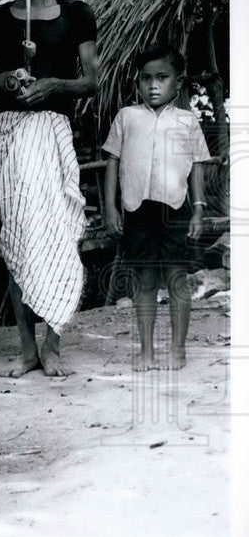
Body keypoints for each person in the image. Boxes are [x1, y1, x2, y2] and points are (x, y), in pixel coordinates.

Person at [0, 0, 99, 378]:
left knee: (57, 236)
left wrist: (53, 85)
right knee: (18, 239)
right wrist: (9, 80)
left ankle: (54, 344)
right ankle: (26, 347)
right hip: (12, 138)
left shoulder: (77, 15)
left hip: (52, 136)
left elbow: (90, 81)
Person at [102, 45, 209, 370]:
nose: (153, 85)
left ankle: (178, 349)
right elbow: (112, 161)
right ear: (137, 82)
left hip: (175, 207)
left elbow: (198, 166)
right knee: (144, 281)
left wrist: (199, 209)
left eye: (162, 77)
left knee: (177, 279)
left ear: (178, 82)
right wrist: (110, 206)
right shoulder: (127, 117)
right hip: (136, 208)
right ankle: (146, 350)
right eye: (146, 78)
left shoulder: (187, 121)